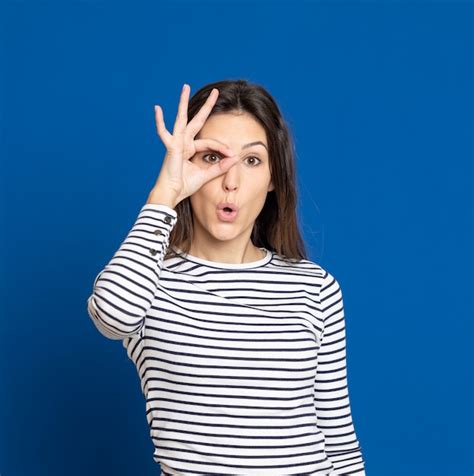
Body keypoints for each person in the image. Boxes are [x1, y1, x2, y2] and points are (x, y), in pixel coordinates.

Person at [87, 79, 366, 475]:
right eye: (212, 157)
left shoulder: (315, 287)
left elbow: (338, 438)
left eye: (252, 161)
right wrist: (166, 191)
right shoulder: (148, 277)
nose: (230, 181)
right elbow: (112, 316)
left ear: (273, 178)